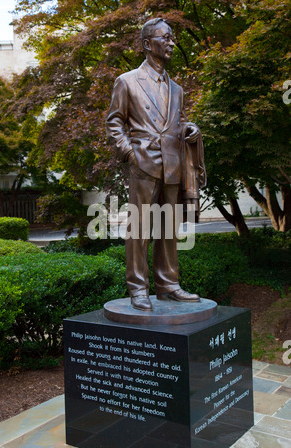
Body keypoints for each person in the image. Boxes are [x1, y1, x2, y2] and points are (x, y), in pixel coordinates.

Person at [106, 18, 206, 312]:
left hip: (173, 162)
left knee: (168, 228)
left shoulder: (177, 89)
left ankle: (168, 284)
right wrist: (130, 153)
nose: (172, 43)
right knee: (140, 229)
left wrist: (192, 129)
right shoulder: (127, 81)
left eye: (173, 38)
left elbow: (180, 120)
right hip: (144, 162)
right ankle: (138, 287)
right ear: (149, 44)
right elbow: (114, 122)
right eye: (167, 38)